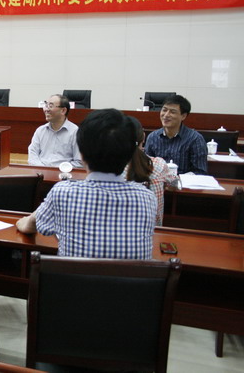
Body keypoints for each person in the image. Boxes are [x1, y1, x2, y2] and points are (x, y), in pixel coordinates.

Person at [16, 109, 157, 259]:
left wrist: (22, 222)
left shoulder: (64, 192)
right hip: (130, 275)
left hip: (72, 275)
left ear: (81, 154)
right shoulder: (147, 198)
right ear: (130, 154)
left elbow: (29, 226)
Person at [124, 116, 179, 226]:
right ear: (143, 137)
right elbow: (174, 184)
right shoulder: (159, 165)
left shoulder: (110, 168)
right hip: (153, 231)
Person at [144, 94, 207, 174]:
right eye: (164, 110)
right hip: (158, 180)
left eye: (172, 112)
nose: (166, 115)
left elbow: (199, 171)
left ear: (183, 116)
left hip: (184, 181)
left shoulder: (195, 139)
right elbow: (147, 166)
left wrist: (177, 179)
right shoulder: (152, 137)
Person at [28, 94, 82, 168]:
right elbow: (32, 155)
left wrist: (60, 169)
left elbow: (79, 162)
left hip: (64, 173)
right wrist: (43, 169)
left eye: (50, 106)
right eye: (46, 105)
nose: (46, 109)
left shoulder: (75, 132)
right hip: (40, 172)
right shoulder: (40, 130)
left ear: (63, 110)